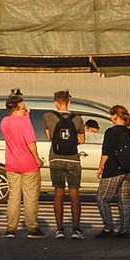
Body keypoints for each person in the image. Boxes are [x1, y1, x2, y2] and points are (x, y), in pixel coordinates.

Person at [0, 91, 43, 236]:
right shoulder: (25, 122)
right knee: (30, 197)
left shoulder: (5, 122)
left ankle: (11, 228)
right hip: (28, 164)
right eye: (23, 108)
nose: (26, 110)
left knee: (14, 197)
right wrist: (37, 158)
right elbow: (30, 142)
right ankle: (32, 227)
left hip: (11, 163)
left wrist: (25, 116)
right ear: (15, 110)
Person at [46, 96, 87, 238]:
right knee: (74, 193)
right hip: (73, 159)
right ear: (69, 102)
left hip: (55, 158)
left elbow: (50, 136)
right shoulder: (77, 118)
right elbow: (82, 139)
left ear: (55, 102)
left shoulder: (48, 117)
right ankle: (76, 229)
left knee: (58, 192)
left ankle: (60, 229)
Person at [97, 111, 130, 238]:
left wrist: (101, 166)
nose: (110, 117)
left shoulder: (111, 132)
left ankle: (108, 227)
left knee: (102, 198)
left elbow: (106, 151)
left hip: (114, 168)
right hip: (129, 170)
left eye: (112, 115)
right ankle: (124, 230)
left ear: (116, 116)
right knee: (124, 199)